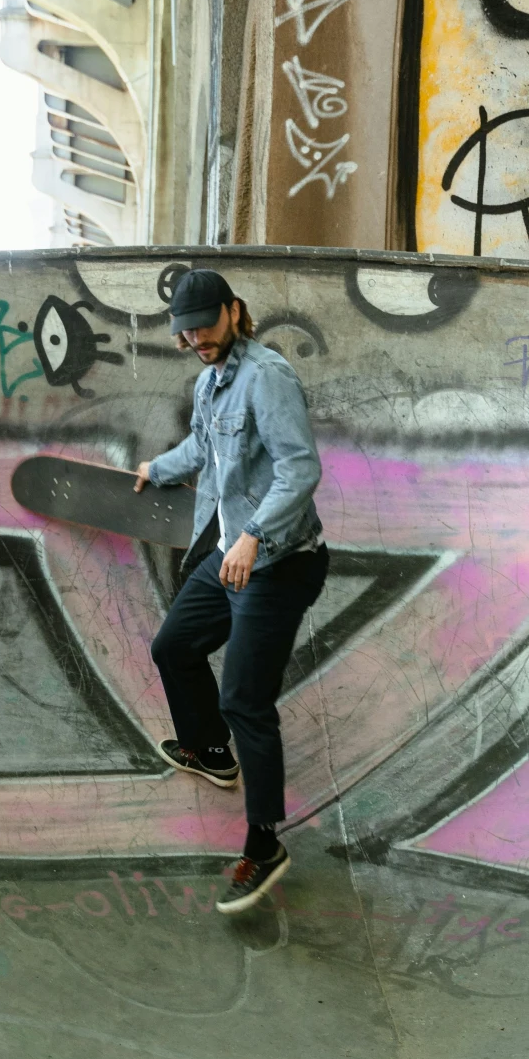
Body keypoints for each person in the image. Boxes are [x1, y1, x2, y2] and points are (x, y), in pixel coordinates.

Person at [135, 268, 327, 914]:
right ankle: (212, 753)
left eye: (205, 325)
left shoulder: (267, 376)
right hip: (228, 558)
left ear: (233, 311)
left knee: (245, 699)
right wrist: (154, 470)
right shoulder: (208, 380)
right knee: (173, 647)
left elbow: (300, 468)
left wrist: (251, 535)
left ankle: (264, 841)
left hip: (279, 563)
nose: (196, 339)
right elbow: (201, 447)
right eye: (186, 331)